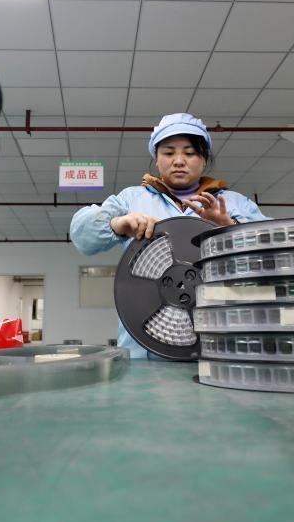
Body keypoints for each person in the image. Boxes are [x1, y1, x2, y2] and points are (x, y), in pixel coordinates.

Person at [70, 113, 268, 359]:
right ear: (156, 159)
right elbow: (81, 235)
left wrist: (230, 227)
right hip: (145, 352)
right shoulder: (132, 200)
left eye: (190, 153)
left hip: (218, 348)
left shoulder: (233, 204)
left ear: (204, 159)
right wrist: (117, 223)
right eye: (169, 152)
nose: (179, 161)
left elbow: (272, 253)